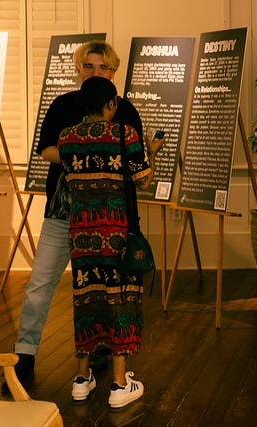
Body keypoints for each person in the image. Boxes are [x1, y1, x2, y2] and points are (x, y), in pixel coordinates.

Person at [11, 41, 161, 384]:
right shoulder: (62, 105)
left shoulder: (126, 111)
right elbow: (45, 148)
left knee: (106, 287)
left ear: (114, 71)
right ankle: (25, 352)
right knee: (40, 283)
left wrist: (89, 153)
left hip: (112, 219)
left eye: (104, 68)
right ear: (79, 69)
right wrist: (87, 155)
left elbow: (133, 159)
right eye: (90, 67)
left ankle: (99, 349)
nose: (97, 72)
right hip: (63, 210)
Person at [59, 76, 152, 407]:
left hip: (81, 233)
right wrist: (150, 153)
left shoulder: (66, 138)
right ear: (111, 104)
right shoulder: (125, 134)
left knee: (86, 299)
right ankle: (117, 385)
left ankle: (82, 380)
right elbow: (142, 179)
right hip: (116, 234)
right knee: (121, 301)